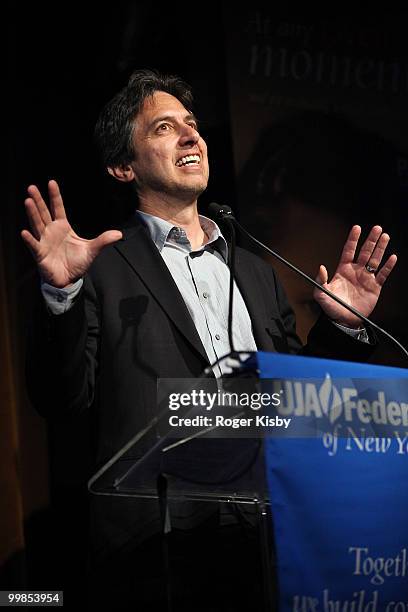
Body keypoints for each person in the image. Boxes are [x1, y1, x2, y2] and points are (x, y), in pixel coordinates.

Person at [22, 69, 397, 610]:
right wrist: (61, 296)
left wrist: (341, 326)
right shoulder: (101, 266)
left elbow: (296, 403)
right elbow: (63, 399)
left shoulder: (256, 271)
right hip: (156, 548)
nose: (190, 136)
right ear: (123, 166)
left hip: (267, 540)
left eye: (192, 125)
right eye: (163, 128)